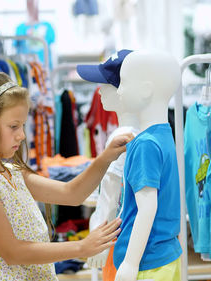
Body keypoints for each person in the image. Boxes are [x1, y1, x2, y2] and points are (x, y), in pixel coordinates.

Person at [0, 72, 133, 280]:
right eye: (13, 126)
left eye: (23, 126)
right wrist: (81, 247)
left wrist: (105, 157)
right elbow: (13, 252)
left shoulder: (13, 173)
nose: (22, 135)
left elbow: (72, 193)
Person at [111, 50, 182, 281]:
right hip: (163, 257)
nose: (118, 91)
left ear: (145, 90)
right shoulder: (163, 135)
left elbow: (147, 207)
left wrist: (130, 264)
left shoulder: (146, 145)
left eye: (123, 82)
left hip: (147, 263)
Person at [76, 49, 141, 273]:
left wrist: (98, 242)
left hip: (116, 243)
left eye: (106, 84)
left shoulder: (121, 136)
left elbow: (111, 198)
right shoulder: (147, 130)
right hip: (131, 241)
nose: (100, 90)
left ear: (123, 89)